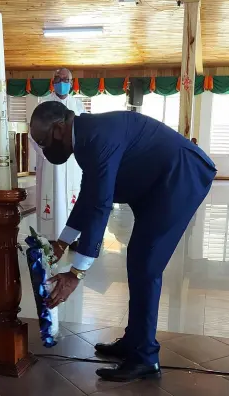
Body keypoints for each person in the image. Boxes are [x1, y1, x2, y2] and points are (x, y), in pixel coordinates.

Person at [30, 101, 216, 382]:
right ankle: (134, 342)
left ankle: (145, 358)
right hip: (157, 184)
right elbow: (90, 194)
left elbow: (100, 205)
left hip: (180, 177)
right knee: (139, 261)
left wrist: (77, 273)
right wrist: (63, 241)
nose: (44, 151)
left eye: (42, 142)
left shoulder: (95, 138)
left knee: (146, 265)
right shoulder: (84, 138)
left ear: (58, 129)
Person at [30, 68, 85, 249]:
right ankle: (50, 236)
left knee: (73, 197)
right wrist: (46, 152)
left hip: (72, 162)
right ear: (53, 81)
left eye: (66, 79)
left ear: (71, 82)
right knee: (51, 196)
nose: (62, 82)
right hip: (49, 163)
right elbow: (33, 134)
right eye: (58, 79)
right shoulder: (43, 105)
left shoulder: (78, 106)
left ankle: (74, 238)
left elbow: (83, 131)